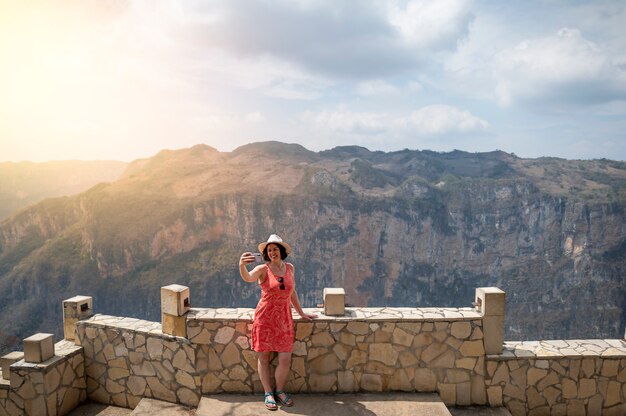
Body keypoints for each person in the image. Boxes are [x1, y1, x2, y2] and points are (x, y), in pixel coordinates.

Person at [239, 234, 317, 411]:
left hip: (284, 318)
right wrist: (241, 266)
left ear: (281, 251)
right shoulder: (263, 269)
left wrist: (301, 313)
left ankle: (279, 391)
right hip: (265, 317)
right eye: (269, 250)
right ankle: (268, 393)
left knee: (285, 358)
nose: (272, 252)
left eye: (275, 249)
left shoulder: (289, 268)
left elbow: (292, 293)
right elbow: (248, 278)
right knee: (264, 357)